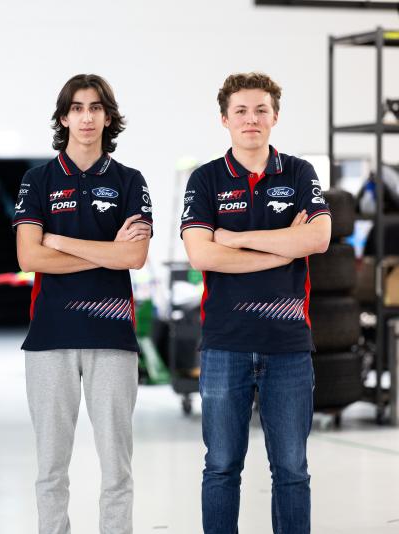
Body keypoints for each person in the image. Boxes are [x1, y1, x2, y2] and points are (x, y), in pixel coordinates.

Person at [179, 72, 331, 534]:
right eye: (241, 111)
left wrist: (234, 239)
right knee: (221, 467)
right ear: (224, 119)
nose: (251, 119)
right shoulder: (205, 179)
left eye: (261, 110)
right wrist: (284, 247)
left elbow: (318, 238)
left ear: (275, 117)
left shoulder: (299, 173)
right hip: (225, 344)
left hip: (289, 346)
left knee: (292, 470)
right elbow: (202, 254)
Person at [12, 73, 152, 534]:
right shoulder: (38, 180)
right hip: (49, 340)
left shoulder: (130, 181)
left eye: (95, 108)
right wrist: (106, 251)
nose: (86, 117)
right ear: (63, 118)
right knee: (51, 469)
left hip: (113, 340)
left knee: (117, 470)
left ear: (108, 117)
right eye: (77, 108)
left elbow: (133, 256)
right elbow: (30, 257)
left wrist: (61, 242)